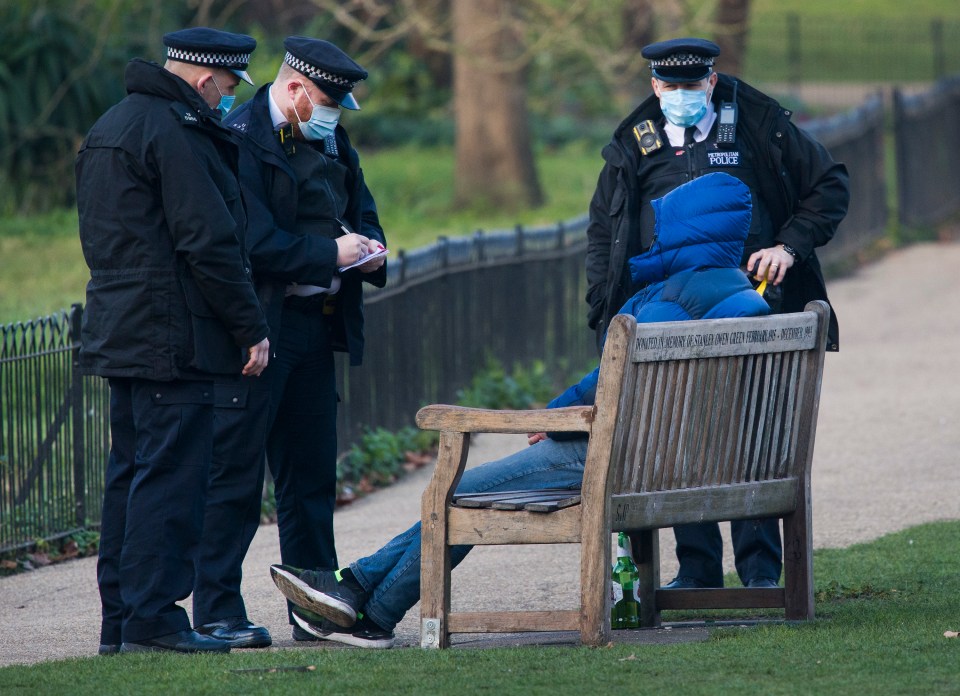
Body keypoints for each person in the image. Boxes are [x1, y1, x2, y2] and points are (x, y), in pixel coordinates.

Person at [267, 172, 770, 648]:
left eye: (664, 225)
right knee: (463, 493)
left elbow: (608, 385)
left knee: (458, 489)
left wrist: (551, 418)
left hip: (629, 463)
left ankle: (364, 602)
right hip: (694, 463)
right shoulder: (743, 301)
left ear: (686, 231)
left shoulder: (668, 300)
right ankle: (360, 599)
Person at [583, 37, 850, 591]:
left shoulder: (758, 124)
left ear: (710, 82)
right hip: (668, 318)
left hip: (747, 309)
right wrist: (603, 305)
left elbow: (829, 185)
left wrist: (789, 247)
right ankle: (697, 571)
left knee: (750, 434)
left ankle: (760, 573)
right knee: (678, 436)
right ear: (655, 87)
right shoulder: (635, 142)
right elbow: (604, 230)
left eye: (691, 85)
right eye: (669, 86)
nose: (680, 95)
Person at [76, 27, 270, 654]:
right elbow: (207, 241)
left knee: (130, 476)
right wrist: (250, 326)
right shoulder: (175, 131)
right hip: (173, 333)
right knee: (170, 481)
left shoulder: (112, 124)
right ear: (205, 77)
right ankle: (155, 619)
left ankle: (122, 623)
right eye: (229, 86)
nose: (229, 98)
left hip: (121, 323)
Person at [192, 36, 386, 645]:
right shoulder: (243, 136)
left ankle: (315, 607)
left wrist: (372, 249)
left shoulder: (329, 136)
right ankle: (217, 608)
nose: (332, 113)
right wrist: (330, 252)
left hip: (312, 323)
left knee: (310, 479)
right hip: (260, 325)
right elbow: (250, 240)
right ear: (296, 88)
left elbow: (363, 205)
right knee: (238, 475)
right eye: (327, 100)